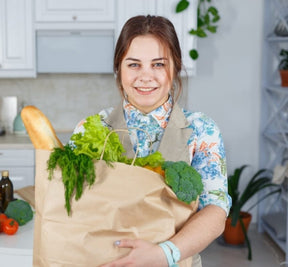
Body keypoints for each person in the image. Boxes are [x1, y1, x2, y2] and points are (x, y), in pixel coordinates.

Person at [71, 15, 231, 267]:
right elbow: (71, 205)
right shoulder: (90, 129)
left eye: (158, 64)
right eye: (134, 65)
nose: (146, 77)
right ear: (118, 68)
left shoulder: (202, 130)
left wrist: (164, 253)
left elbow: (215, 212)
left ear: (175, 68)